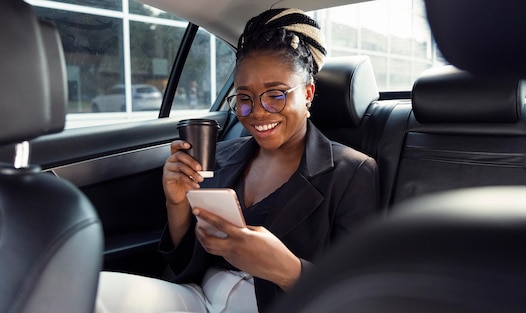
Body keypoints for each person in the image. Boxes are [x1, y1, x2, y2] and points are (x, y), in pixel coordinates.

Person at [95, 8, 379, 313]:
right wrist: (176, 203)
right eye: (244, 98)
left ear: (308, 93)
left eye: (276, 94)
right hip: (198, 298)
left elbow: (356, 291)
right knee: (88, 289)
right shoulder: (219, 156)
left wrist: (286, 268)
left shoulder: (353, 172)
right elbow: (183, 260)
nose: (257, 112)